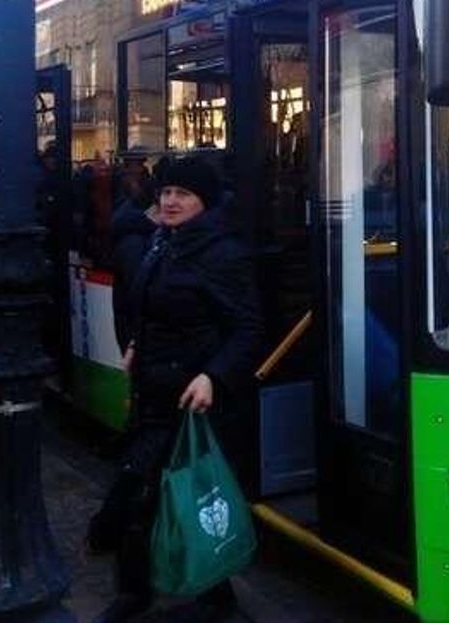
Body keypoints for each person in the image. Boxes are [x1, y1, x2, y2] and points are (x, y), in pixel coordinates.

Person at [92, 156, 263, 623]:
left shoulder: (223, 254)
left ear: (203, 203)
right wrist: (135, 344)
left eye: (182, 194)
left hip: (195, 403)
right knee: (147, 494)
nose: (169, 201)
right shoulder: (162, 243)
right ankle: (145, 592)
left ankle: (197, 596)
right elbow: (150, 309)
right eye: (166, 192)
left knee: (177, 496)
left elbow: (247, 329)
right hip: (154, 393)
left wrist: (213, 375)